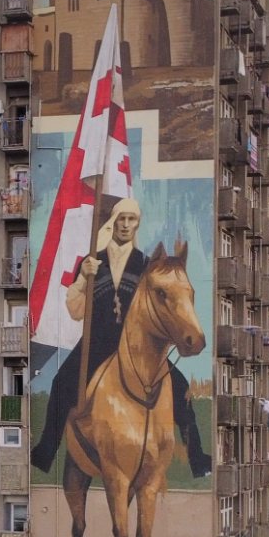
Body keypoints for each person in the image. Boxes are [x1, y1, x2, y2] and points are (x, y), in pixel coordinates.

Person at [31, 197, 211, 478]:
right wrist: (81, 279)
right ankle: (45, 451)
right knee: (61, 383)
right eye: (121, 219)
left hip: (135, 346)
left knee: (181, 388)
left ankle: (197, 458)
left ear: (137, 224)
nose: (126, 225)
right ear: (112, 223)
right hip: (96, 342)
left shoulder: (145, 263)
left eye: (131, 219)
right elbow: (74, 311)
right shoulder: (91, 261)